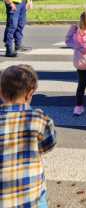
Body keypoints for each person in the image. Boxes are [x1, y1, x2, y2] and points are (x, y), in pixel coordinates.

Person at [0, 65, 57, 208]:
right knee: (40, 196)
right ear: (30, 93)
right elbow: (49, 144)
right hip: (31, 198)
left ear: (1, 92)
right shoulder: (38, 118)